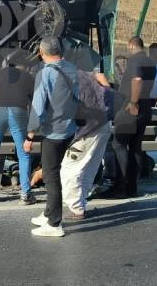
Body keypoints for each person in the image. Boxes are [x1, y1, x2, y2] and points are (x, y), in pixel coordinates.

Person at [25, 36, 79, 238]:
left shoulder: (45, 73)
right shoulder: (72, 69)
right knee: (54, 171)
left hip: (53, 132)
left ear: (41, 51)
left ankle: (54, 223)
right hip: (69, 130)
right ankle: (48, 212)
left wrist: (29, 136)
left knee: (50, 176)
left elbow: (38, 107)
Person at [0, 51, 36, 206]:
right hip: (18, 111)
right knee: (23, 153)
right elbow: (33, 102)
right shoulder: (28, 77)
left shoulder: (1, 73)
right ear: (25, 66)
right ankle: (25, 195)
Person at [60, 68, 113, 220]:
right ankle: (81, 203)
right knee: (89, 167)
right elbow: (104, 84)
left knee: (70, 168)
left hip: (88, 129)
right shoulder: (84, 74)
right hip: (104, 124)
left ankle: (77, 209)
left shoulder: (66, 78)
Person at [110, 36, 156, 197]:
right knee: (135, 148)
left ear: (131, 45)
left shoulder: (135, 59)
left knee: (118, 144)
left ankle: (120, 186)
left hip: (132, 109)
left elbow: (137, 80)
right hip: (145, 109)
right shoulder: (151, 62)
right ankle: (132, 187)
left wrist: (133, 102)